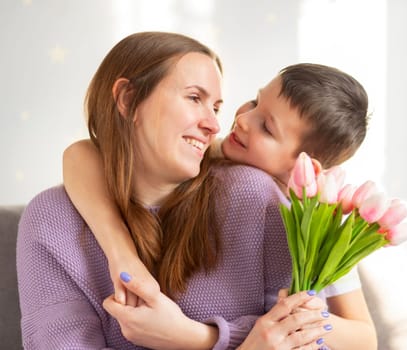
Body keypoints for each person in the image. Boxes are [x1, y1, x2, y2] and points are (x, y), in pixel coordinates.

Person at [17, 32, 330, 350]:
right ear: (128, 99)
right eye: (195, 98)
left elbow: (305, 336)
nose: (214, 125)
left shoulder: (253, 196)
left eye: (217, 108)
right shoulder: (52, 219)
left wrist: (196, 337)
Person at [62, 63, 377, 349]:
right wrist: (122, 254)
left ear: (307, 166)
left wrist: (310, 316)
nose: (242, 119)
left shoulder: (322, 226)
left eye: (267, 127)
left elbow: (365, 339)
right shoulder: (207, 160)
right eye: (255, 102)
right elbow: (80, 154)